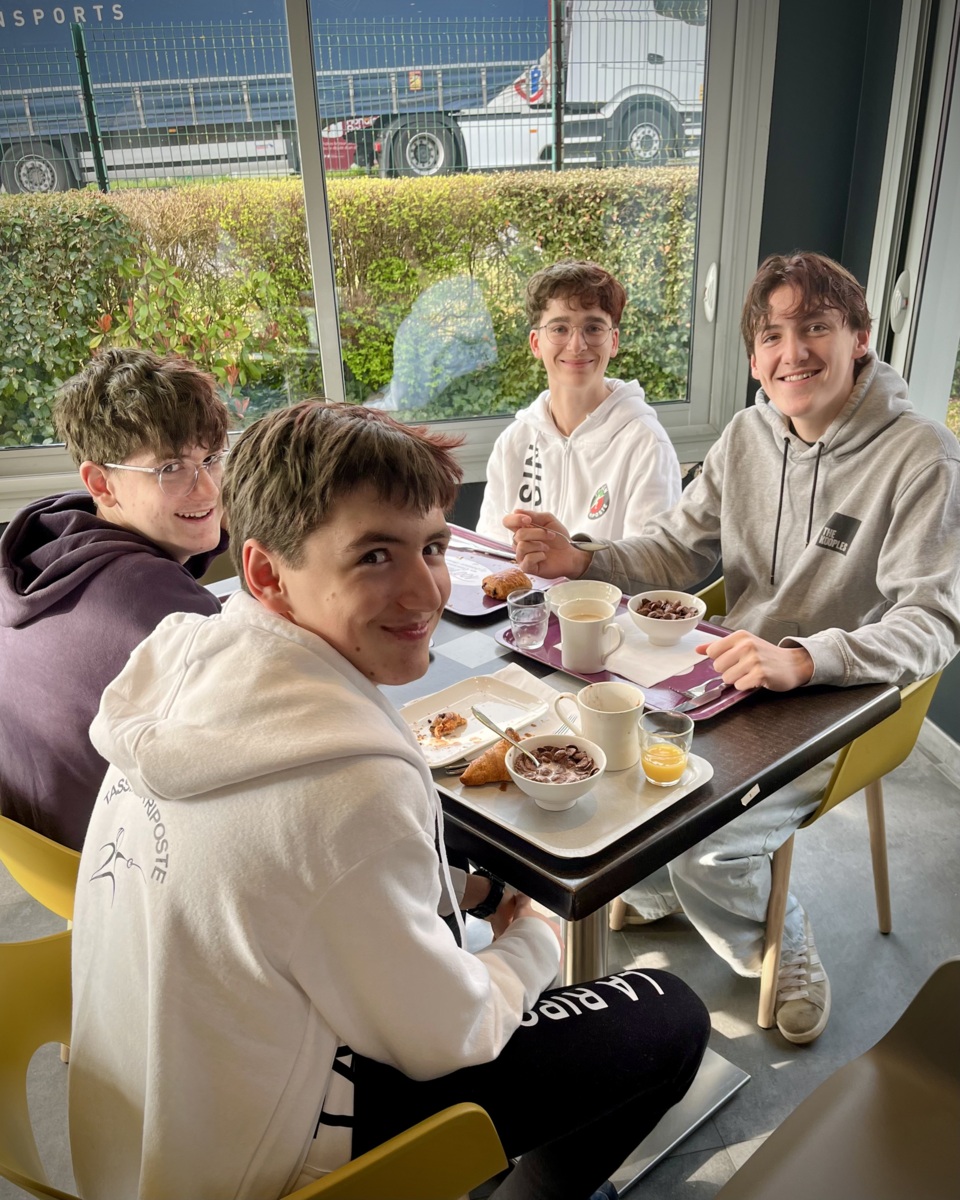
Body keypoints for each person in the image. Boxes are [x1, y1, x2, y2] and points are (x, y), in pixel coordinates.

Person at [68, 400, 710, 1200]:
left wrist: (474, 893)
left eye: (432, 547)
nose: (425, 593)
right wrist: (535, 937)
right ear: (268, 573)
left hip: (145, 1119)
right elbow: (451, 1033)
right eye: (374, 555)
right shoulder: (347, 789)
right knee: (667, 1017)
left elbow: (317, 888)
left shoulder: (187, 660)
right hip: (259, 1157)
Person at [507, 252, 960, 1045]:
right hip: (737, 676)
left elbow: (933, 622)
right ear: (754, 358)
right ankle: (675, 885)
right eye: (773, 336)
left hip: (847, 700)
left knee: (704, 848)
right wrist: (582, 559)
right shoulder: (748, 435)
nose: (794, 352)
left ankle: (777, 940)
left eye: (816, 327)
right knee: (606, 762)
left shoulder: (923, 455)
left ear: (859, 337)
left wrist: (808, 658)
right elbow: (677, 549)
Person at [0, 349, 229, 850]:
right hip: (134, 868)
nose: (209, 489)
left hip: (52, 856)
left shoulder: (43, 548)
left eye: (211, 458)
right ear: (101, 483)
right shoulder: (155, 604)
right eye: (171, 468)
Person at [475, 260, 681, 543]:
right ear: (536, 343)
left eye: (593, 328)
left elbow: (650, 562)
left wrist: (573, 559)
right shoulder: (513, 442)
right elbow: (489, 552)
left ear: (614, 341)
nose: (577, 345)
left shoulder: (646, 445)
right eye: (559, 329)